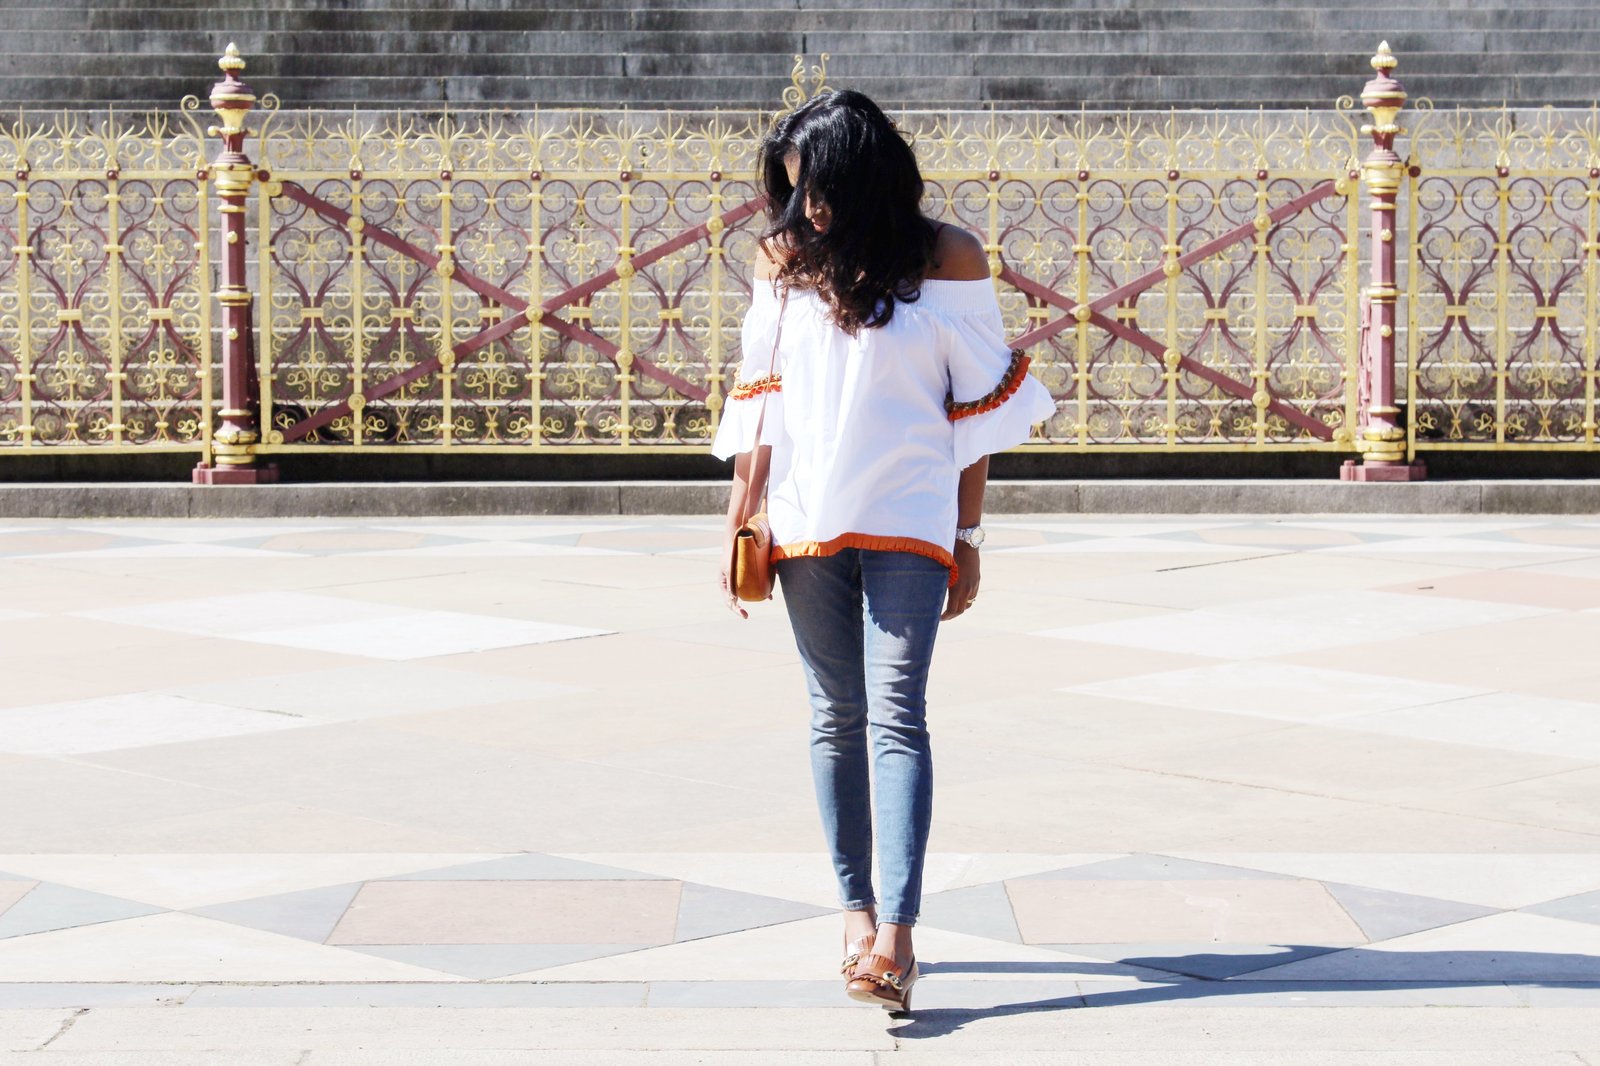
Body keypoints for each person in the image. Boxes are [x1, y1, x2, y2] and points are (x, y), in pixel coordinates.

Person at [713, 89, 1054, 1013]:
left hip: (910, 516)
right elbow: (762, 397)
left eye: (819, 192)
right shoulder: (783, 257)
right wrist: (742, 512)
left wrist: (969, 533)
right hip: (805, 520)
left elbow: (977, 409)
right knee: (834, 714)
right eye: (793, 194)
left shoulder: (949, 258)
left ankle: (898, 938)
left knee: (896, 712)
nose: (807, 212)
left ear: (864, 177)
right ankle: (855, 920)